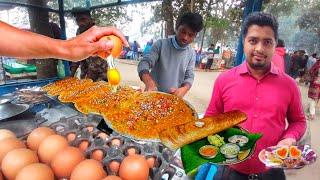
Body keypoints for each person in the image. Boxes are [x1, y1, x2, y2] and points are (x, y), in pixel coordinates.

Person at [206, 12, 306, 179]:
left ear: (275, 45)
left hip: (272, 171)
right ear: (244, 42)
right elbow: (211, 118)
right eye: (253, 41)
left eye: (267, 42)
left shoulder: (289, 85)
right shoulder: (224, 80)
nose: (259, 48)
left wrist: (289, 138)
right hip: (230, 171)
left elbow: (299, 121)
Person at [137, 12, 203, 98]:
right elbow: (144, 63)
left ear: (195, 36)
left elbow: (189, 76)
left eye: (190, 35)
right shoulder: (160, 44)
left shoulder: (191, 53)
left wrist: (184, 89)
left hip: (173, 99)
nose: (185, 37)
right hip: (152, 95)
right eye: (183, 32)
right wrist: (149, 82)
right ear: (177, 27)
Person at [0, 21, 128, 62]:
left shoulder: (89, 31)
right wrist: (67, 48)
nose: (80, 20)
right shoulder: (81, 31)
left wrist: (67, 48)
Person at [70, 8, 110, 82]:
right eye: (77, 20)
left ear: (90, 19)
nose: (80, 23)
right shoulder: (79, 32)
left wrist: (88, 79)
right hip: (85, 72)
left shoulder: (97, 32)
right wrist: (71, 74)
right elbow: (77, 52)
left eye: (83, 19)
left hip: (100, 74)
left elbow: (98, 60)